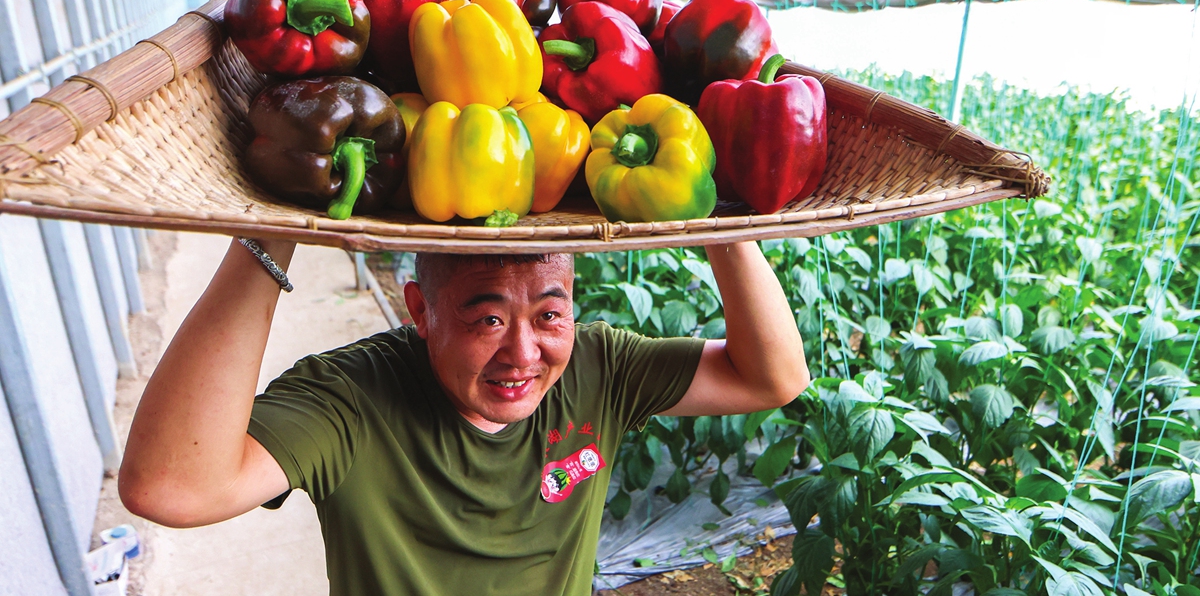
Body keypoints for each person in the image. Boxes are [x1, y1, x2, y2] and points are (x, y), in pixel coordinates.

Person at [119, 237, 808, 595]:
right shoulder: (352, 398)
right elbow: (171, 485)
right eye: (486, 318)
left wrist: (726, 224)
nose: (523, 353)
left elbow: (773, 376)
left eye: (549, 315)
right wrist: (267, 244)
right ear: (420, 310)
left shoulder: (601, 368)